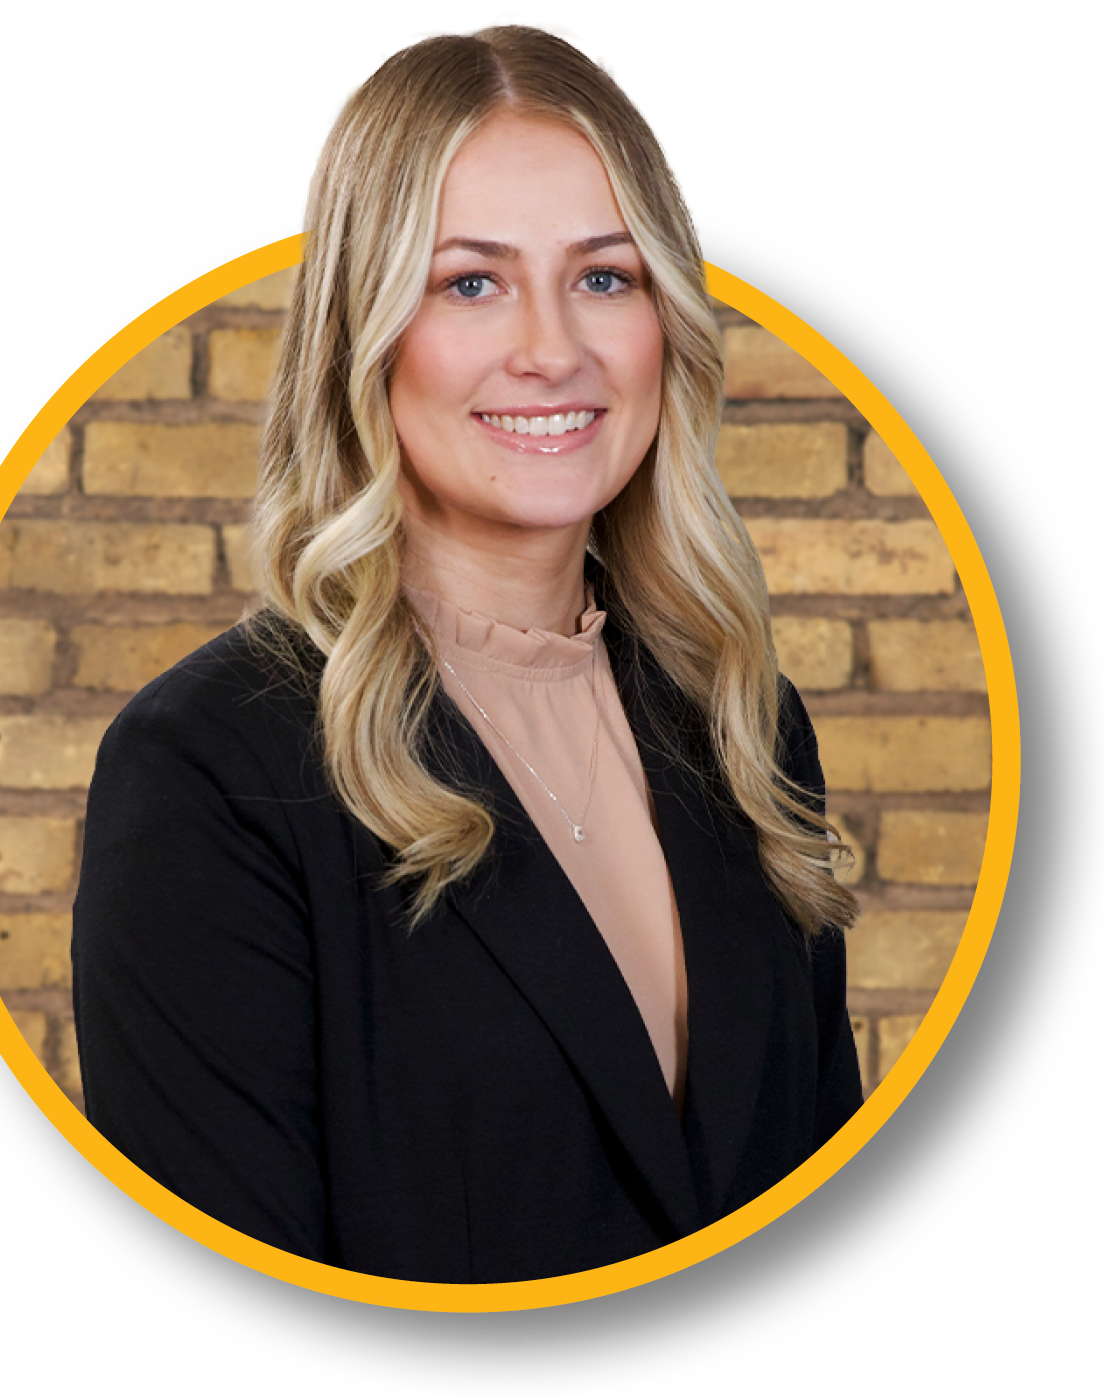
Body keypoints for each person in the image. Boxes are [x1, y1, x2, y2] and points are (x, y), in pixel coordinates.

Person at [72, 17, 862, 1284]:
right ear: (362, 330)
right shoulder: (208, 770)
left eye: (604, 276)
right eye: (468, 281)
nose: (552, 348)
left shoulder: (742, 723)